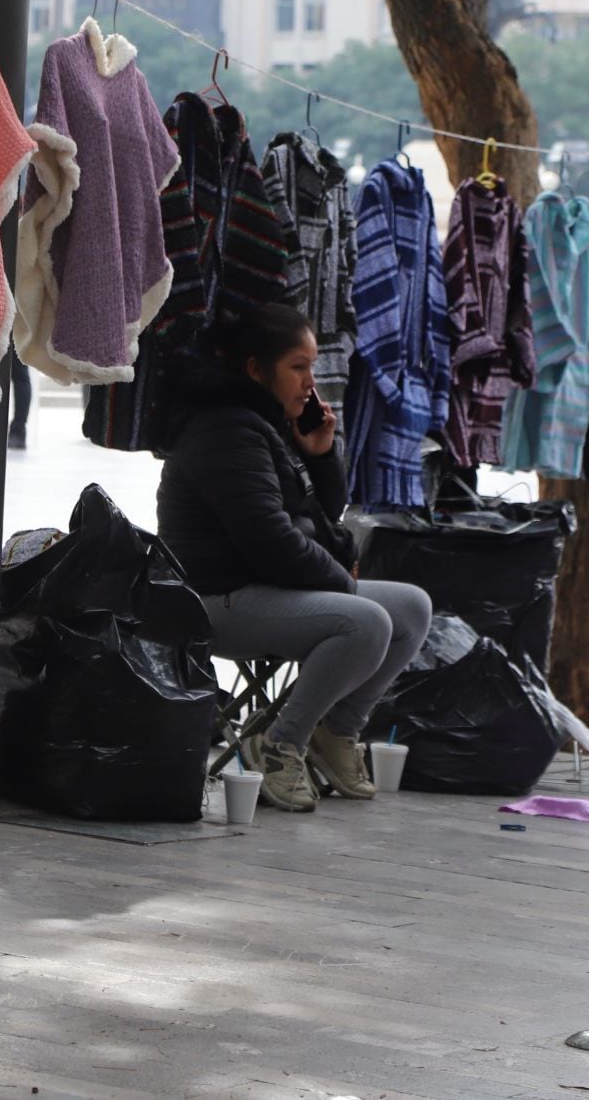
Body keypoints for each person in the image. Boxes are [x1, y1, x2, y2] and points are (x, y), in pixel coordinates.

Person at [156, 304, 432, 812]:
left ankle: (337, 732)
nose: (310, 382)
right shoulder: (226, 431)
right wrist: (341, 583)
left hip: (267, 587)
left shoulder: (266, 422)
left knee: (412, 608)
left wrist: (321, 455)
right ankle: (279, 744)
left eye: (312, 366)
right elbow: (270, 541)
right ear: (256, 369)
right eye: (298, 367)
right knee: (365, 621)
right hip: (216, 600)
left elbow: (319, 518)